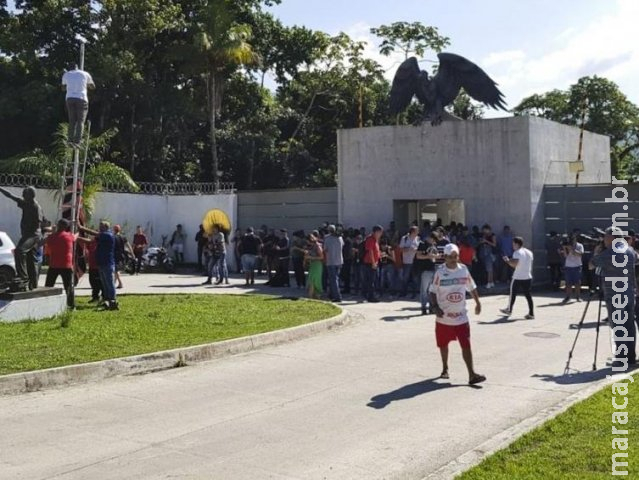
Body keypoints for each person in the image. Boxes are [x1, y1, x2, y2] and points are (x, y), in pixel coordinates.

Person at [429, 243, 486, 385]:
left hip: (461, 316)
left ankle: (472, 374)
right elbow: (432, 291)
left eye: (456, 256)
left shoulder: (464, 270)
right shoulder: (440, 273)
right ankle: (445, 368)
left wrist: (478, 303)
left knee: (466, 345)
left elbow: (471, 287)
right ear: (445, 257)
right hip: (444, 318)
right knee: (443, 344)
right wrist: (435, 307)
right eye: (450, 257)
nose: (453, 259)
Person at [590, 227, 637, 371]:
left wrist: (598, 251)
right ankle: (630, 356)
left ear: (611, 238)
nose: (603, 239)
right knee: (629, 326)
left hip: (615, 296)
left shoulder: (609, 252)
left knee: (618, 327)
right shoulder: (630, 250)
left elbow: (592, 264)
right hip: (629, 293)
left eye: (605, 237)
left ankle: (622, 359)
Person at [0, 186, 43, 290]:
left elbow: (38, 224)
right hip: (27, 234)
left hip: (33, 235)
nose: (23, 196)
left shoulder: (36, 207)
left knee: (19, 251)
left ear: (30, 195)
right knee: (30, 259)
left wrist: (29, 236)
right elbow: (10, 196)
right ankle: (33, 283)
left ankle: (23, 277)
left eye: (25, 194)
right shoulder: (25, 203)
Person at [81, 222, 118, 310]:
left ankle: (112, 300)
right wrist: (78, 238)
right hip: (101, 263)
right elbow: (90, 241)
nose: (99, 228)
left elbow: (94, 233)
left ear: (105, 227)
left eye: (101, 226)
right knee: (104, 283)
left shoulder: (108, 235)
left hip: (107, 263)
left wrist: (81, 227)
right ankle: (106, 299)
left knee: (109, 283)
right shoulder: (102, 236)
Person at [43, 219, 77, 308]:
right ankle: (71, 305)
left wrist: (53, 232)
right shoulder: (69, 236)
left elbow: (45, 242)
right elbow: (75, 237)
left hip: (54, 265)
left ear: (58, 225)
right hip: (66, 265)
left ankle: (46, 304)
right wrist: (78, 229)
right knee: (68, 286)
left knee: (48, 286)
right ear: (66, 227)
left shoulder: (51, 237)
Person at [500, 236, 534, 319]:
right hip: (527, 276)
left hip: (518, 276)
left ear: (517, 244)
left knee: (513, 294)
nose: (512, 245)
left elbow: (514, 264)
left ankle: (509, 309)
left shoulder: (517, 252)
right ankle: (531, 313)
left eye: (513, 243)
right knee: (528, 295)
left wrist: (507, 261)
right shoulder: (529, 252)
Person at [61, 64, 95, 147]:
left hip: (70, 98)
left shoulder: (66, 74)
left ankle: (70, 140)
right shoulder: (85, 74)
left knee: (72, 120)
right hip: (81, 98)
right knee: (80, 121)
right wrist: (84, 85)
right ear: (78, 68)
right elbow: (93, 86)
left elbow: (63, 88)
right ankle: (77, 141)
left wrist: (70, 85)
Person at [414, 235, 438, 315]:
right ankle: (423, 307)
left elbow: (435, 256)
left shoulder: (433, 246)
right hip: (425, 270)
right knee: (424, 290)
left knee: (432, 289)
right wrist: (428, 256)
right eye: (433, 239)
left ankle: (431, 307)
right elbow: (418, 256)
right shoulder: (422, 244)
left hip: (433, 269)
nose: (433, 241)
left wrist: (435, 256)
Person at [362, 225, 383, 303]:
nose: (381, 234)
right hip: (370, 263)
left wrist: (380, 254)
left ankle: (370, 295)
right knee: (371, 281)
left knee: (373, 280)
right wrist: (373, 262)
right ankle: (371, 296)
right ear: (376, 232)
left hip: (374, 262)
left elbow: (375, 251)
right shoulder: (370, 239)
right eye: (380, 232)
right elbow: (370, 251)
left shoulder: (375, 240)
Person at [323, 225, 344, 302]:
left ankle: (337, 296)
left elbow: (325, 249)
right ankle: (331, 294)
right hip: (339, 261)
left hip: (331, 261)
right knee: (336, 278)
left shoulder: (327, 238)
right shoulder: (340, 238)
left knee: (333, 279)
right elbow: (342, 246)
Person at [561, 234, 584, 303]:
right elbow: (565, 256)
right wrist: (565, 248)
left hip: (577, 266)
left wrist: (572, 249)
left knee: (577, 282)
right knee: (568, 283)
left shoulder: (579, 246)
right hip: (568, 266)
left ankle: (578, 297)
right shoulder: (567, 245)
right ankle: (568, 297)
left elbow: (580, 255)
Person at [399, 226, 420, 297]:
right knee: (405, 277)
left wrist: (416, 250)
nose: (418, 232)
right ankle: (403, 292)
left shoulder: (418, 239)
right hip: (407, 261)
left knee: (415, 278)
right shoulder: (404, 238)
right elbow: (400, 249)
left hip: (415, 261)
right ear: (413, 232)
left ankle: (414, 293)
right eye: (417, 231)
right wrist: (409, 249)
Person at [305, 234, 324, 300]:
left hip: (317, 265)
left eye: (307, 241)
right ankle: (313, 296)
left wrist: (311, 257)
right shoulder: (312, 246)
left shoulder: (318, 246)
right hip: (313, 265)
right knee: (311, 280)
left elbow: (322, 257)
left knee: (315, 280)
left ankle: (313, 296)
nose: (307, 242)